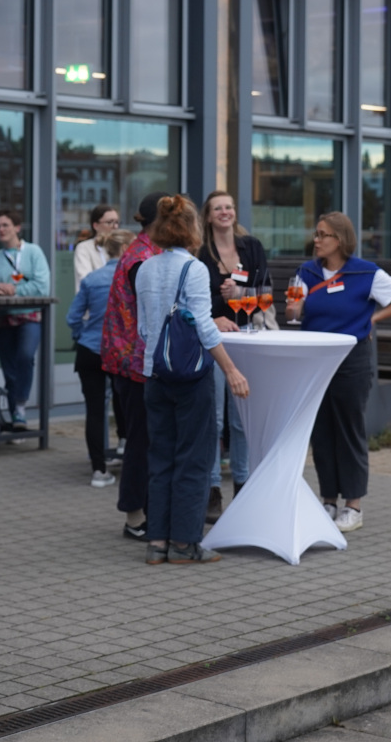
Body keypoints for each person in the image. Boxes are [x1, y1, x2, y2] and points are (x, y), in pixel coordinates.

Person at [135, 196, 249, 565]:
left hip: (154, 374)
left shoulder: (145, 268)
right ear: (192, 228)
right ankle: (185, 544)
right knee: (194, 459)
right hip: (191, 375)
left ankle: (157, 543)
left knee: (161, 457)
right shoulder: (195, 269)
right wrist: (231, 369)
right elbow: (204, 326)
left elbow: (142, 328)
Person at [287, 212, 391, 533]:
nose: (315, 240)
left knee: (348, 429)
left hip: (351, 359)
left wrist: (371, 320)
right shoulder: (306, 272)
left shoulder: (365, 272)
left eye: (322, 235)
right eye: (315, 234)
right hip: (314, 359)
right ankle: (328, 500)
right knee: (321, 431)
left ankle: (353, 505)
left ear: (340, 240)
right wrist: (293, 309)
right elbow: (294, 310)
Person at [102, 193, 169, 540]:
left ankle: (143, 511)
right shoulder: (143, 258)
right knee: (142, 441)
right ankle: (134, 517)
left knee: (145, 440)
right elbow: (155, 311)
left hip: (133, 360)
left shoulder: (147, 251)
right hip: (135, 363)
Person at [196, 190, 267, 517]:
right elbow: (191, 299)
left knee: (241, 419)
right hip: (210, 341)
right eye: (218, 208)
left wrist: (240, 292)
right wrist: (214, 316)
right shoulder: (199, 251)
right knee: (214, 417)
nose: (225, 212)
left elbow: (265, 290)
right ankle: (212, 489)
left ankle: (243, 485)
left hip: (246, 340)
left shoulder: (251, 247)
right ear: (208, 216)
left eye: (229, 206)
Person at [68, 229, 133, 488]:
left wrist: (82, 334)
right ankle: (126, 452)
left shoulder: (92, 279)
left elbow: (72, 317)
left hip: (90, 349)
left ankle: (98, 469)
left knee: (94, 411)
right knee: (125, 404)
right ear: (127, 249)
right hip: (121, 351)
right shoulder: (131, 279)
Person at [0, 210, 52, 429]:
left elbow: (42, 287)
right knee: (8, 366)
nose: (1, 230)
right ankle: (16, 414)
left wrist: (14, 289)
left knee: (25, 357)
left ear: (17, 227)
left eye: (5, 225)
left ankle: (20, 405)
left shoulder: (33, 252)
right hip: (1, 318)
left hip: (29, 315)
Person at [72, 204, 120, 293]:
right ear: (95, 225)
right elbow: (86, 279)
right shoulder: (84, 248)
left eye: (117, 222)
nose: (115, 227)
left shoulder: (120, 247)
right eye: (110, 222)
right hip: (95, 302)